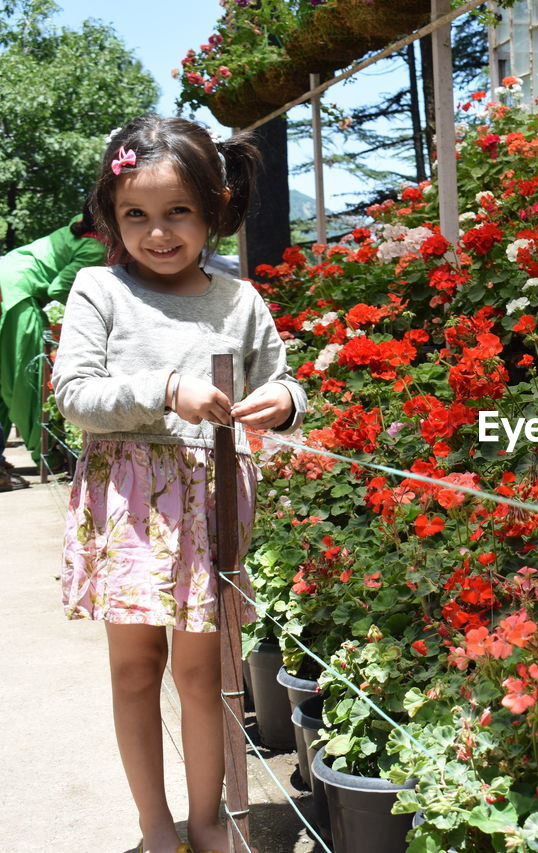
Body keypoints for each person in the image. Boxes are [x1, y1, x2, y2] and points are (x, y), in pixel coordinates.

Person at [52, 115, 307, 853]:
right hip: (128, 503)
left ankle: (209, 820)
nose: (157, 233)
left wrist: (287, 403)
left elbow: (283, 382)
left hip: (210, 499)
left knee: (206, 674)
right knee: (136, 669)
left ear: (214, 211)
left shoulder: (239, 300)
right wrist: (166, 387)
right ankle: (156, 826)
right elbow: (75, 393)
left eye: (177, 214)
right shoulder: (98, 289)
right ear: (111, 214)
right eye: (136, 215)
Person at [0, 202, 107, 490]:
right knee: (27, 383)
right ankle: (48, 458)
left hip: (6, 280)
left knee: (2, 384)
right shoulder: (96, 248)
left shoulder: (78, 224)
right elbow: (58, 289)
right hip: (18, 297)